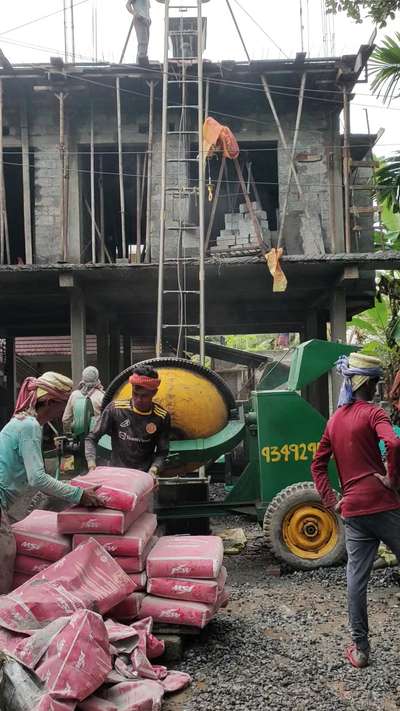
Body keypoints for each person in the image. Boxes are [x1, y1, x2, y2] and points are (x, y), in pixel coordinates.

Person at [311, 352, 400, 669]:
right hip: (383, 503)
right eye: (375, 382)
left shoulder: (334, 420)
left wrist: (330, 500)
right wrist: (392, 477)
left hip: (352, 511)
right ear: (368, 383)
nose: (377, 388)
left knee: (356, 581)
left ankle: (361, 651)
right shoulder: (374, 413)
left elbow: (317, 464)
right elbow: (394, 444)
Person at [0, 372, 104, 595]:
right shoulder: (29, 427)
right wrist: (78, 494)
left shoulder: (21, 421)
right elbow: (37, 478)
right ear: (48, 402)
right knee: (5, 553)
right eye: (61, 405)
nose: (61, 412)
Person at [85, 365, 170, 483]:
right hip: (116, 476)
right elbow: (91, 438)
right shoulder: (115, 409)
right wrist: (91, 464)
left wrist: (153, 471)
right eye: (135, 393)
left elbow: (162, 452)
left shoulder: (161, 417)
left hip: (143, 479)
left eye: (144, 396)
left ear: (154, 392)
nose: (138, 399)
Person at [62, 366, 104, 433]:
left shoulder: (74, 395)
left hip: (79, 438)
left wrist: (69, 434)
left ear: (83, 378)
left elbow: (65, 420)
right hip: (96, 438)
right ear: (97, 378)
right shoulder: (102, 396)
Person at [126, 0, 151, 65]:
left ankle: (141, 61)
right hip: (140, 19)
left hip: (146, 20)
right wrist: (134, 13)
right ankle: (141, 61)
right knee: (142, 42)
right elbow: (127, 4)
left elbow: (147, 9)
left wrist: (149, 18)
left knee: (146, 43)